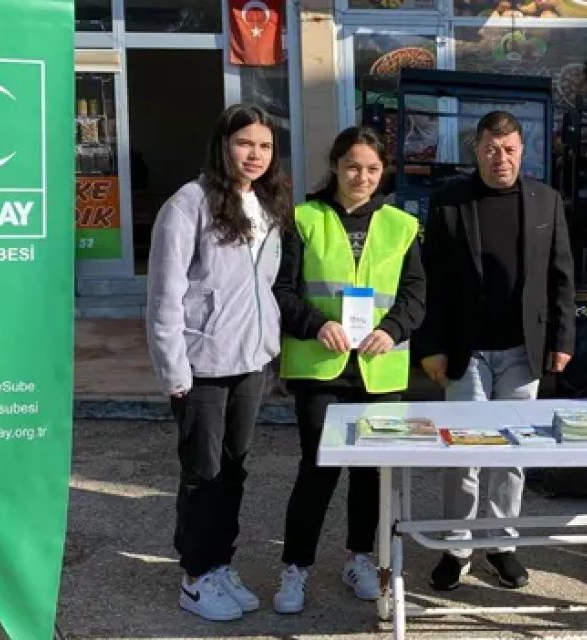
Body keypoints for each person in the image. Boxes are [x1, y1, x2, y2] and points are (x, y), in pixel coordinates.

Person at [415, 110, 576, 592]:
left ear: (522, 151)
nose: (499, 158)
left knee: (511, 452)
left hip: (522, 350)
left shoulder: (546, 200)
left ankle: (502, 544)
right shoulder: (448, 202)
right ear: (477, 149)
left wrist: (563, 341)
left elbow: (562, 276)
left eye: (508, 149)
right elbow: (432, 283)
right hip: (466, 351)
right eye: (490, 148)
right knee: (461, 452)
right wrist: (431, 346)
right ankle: (457, 547)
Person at [271, 126, 425, 614]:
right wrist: (316, 324)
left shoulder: (403, 225)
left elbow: (416, 295)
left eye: (373, 168)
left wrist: (394, 329)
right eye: (353, 166)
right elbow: (281, 290)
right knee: (317, 471)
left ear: (384, 172)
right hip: (322, 367)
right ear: (335, 164)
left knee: (371, 476)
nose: (362, 176)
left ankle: (359, 557)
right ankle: (295, 568)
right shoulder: (303, 218)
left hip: (379, 367)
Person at [146, 103, 289, 621]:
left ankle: (220, 563)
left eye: (265, 146)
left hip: (250, 360)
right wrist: (174, 372)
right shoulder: (188, 204)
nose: (255, 155)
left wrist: (270, 348)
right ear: (223, 145)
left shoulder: (267, 204)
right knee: (201, 474)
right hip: (202, 364)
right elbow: (164, 295)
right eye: (245, 143)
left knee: (234, 470)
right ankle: (195, 575)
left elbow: (264, 286)